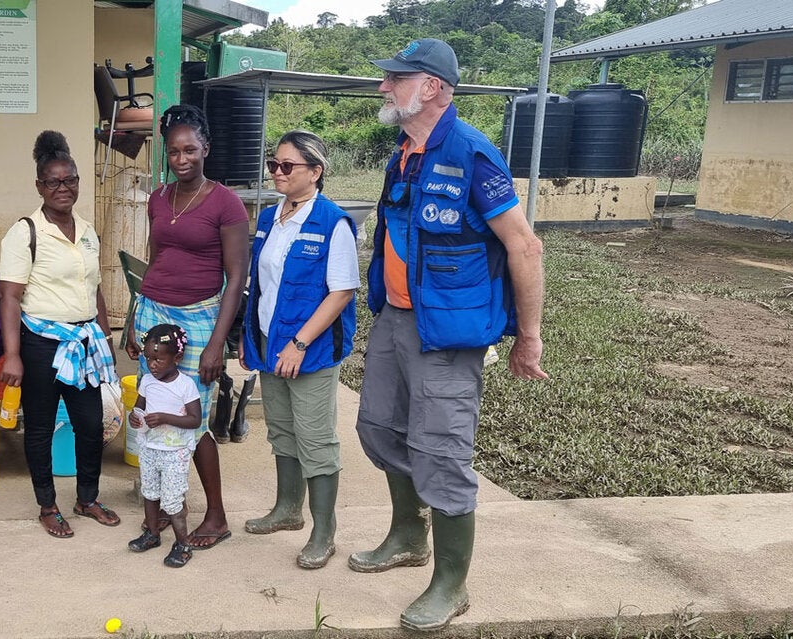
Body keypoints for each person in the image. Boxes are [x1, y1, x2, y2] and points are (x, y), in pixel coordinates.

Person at [350, 38, 548, 631]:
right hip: (397, 319)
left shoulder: (472, 155)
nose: (384, 87)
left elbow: (524, 245)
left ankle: (450, 585)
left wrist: (528, 336)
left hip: (449, 334)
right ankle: (409, 536)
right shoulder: (403, 154)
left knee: (442, 451)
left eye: (396, 78)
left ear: (431, 86)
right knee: (379, 425)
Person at [124, 104, 248, 550]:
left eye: (190, 150)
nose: (182, 159)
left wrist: (218, 343)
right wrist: (134, 320)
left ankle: (215, 515)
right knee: (154, 415)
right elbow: (154, 262)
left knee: (191, 423)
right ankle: (160, 512)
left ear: (206, 149)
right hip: (154, 312)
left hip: (199, 320)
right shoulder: (159, 198)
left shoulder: (225, 203)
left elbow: (236, 279)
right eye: (174, 151)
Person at [239, 130, 360, 570]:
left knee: (316, 439)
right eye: (274, 164)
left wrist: (299, 342)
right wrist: (248, 334)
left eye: (287, 166)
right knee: (282, 431)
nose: (277, 172)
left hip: (307, 351)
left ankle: (323, 532)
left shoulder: (333, 222)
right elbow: (262, 285)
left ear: (316, 171)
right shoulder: (271, 218)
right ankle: (287, 509)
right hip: (270, 346)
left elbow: (342, 291)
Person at [0, 130, 121, 538]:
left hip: (83, 343)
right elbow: (10, 297)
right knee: (40, 426)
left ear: (78, 182)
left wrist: (103, 335)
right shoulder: (26, 232)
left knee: (90, 424)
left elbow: (95, 287)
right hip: (40, 345)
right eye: (53, 181)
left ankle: (87, 498)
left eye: (69, 180)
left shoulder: (87, 230)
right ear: (40, 186)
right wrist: (13, 355)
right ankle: (47, 505)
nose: (62, 188)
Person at [125, 324, 203, 568]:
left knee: (171, 501)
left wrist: (165, 418)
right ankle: (152, 534)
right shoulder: (147, 381)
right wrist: (134, 417)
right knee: (149, 493)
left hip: (175, 453)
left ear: (176, 357)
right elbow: (138, 408)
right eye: (148, 358)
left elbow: (195, 420)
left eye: (158, 358)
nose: (152, 364)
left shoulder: (185, 385)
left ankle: (182, 544)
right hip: (149, 448)